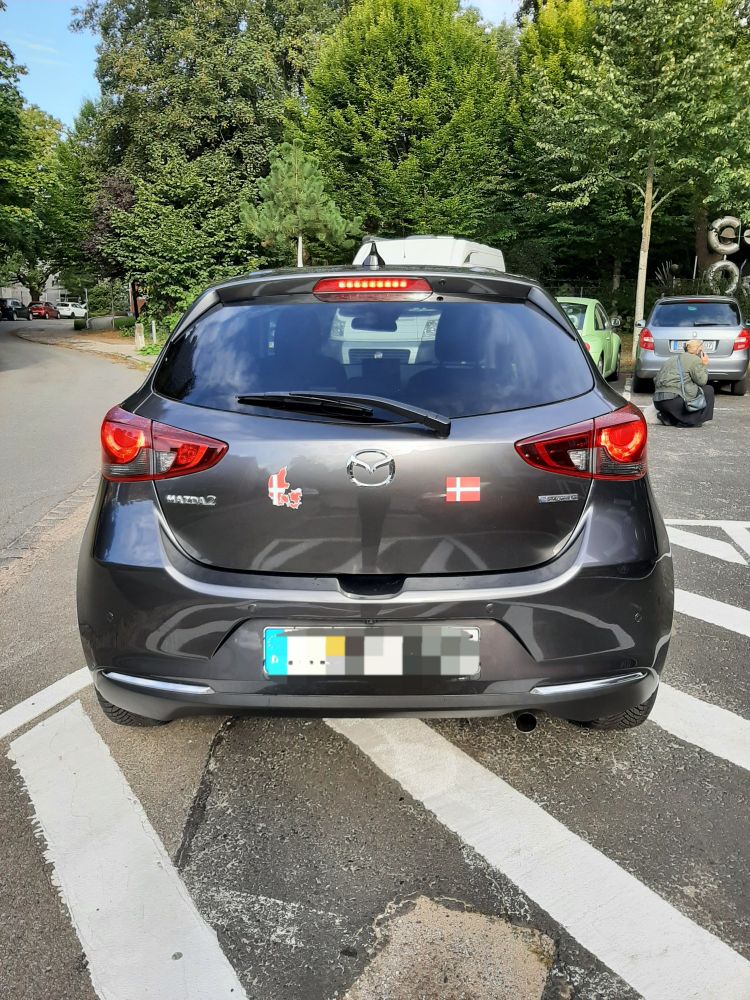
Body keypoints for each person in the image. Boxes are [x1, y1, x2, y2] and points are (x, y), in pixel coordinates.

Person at [653, 339, 714, 427]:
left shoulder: (671, 359)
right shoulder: (695, 360)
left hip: (658, 401)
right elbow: (702, 381)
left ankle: (668, 417)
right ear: (699, 351)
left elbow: (655, 379)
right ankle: (695, 420)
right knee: (708, 390)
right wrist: (704, 365)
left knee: (683, 390)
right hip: (675, 401)